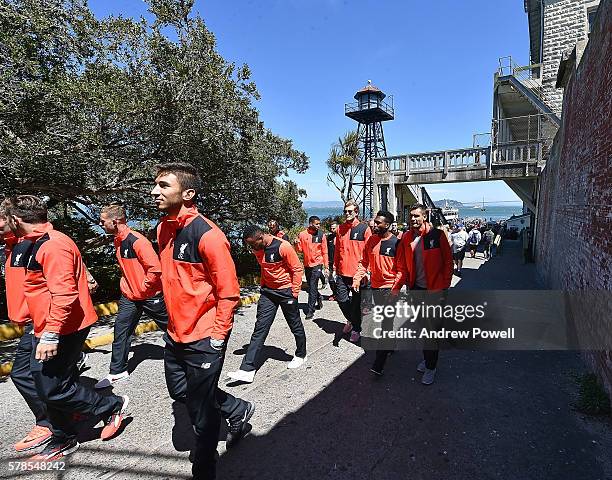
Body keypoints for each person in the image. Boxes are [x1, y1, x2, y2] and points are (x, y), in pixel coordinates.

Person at [7, 195, 129, 461]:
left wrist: (50, 334)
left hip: (62, 327)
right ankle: (60, 431)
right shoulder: (31, 242)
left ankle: (110, 406)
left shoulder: (53, 245)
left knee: (51, 386)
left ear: (15, 220)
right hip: (43, 324)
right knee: (35, 378)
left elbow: (64, 294)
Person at [152, 163, 254, 480]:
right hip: (175, 334)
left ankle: (205, 467)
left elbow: (228, 293)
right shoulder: (162, 229)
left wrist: (217, 336)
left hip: (204, 337)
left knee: (201, 412)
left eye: (163, 186)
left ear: (187, 193)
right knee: (182, 393)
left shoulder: (209, 236)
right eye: (155, 185)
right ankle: (237, 409)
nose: (154, 191)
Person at [95, 205, 169, 389]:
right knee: (121, 331)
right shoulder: (117, 240)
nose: (100, 224)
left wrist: (143, 287)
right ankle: (117, 371)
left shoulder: (137, 241)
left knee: (173, 328)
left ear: (115, 221)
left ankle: (193, 354)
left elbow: (155, 269)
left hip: (151, 296)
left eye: (103, 221)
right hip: (130, 296)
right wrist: (129, 286)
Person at [1, 198, 53, 452]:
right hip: (28, 321)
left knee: (23, 373)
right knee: (45, 376)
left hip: (39, 321)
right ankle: (65, 412)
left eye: (1, 221)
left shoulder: (30, 243)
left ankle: (48, 422)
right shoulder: (11, 246)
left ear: (14, 220)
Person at [227, 225, 307, 383]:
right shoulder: (258, 249)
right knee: (260, 328)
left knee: (295, 325)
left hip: (286, 292)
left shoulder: (283, 247)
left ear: (261, 238)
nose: (251, 248)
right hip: (268, 293)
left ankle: (301, 354)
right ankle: (247, 369)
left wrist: (294, 293)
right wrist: (263, 287)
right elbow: (265, 269)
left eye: (252, 244)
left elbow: (297, 269)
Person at [393, 203, 453, 385]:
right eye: (411, 216)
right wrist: (396, 287)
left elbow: (448, 262)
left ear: (424, 217)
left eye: (417, 216)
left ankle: (431, 366)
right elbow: (402, 265)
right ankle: (429, 358)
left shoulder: (437, 235)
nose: (413, 219)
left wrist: (444, 287)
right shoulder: (406, 237)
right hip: (416, 290)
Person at [352, 211, 401, 376]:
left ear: (387, 225)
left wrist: (395, 290)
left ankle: (378, 364)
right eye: (375, 221)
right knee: (385, 321)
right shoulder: (371, 240)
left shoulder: (396, 243)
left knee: (385, 325)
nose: (374, 225)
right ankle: (391, 345)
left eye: (378, 223)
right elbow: (364, 261)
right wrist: (357, 278)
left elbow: (402, 270)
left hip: (390, 289)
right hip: (375, 287)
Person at [334, 200, 372, 343]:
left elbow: (369, 251)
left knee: (356, 305)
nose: (347, 214)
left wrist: (367, 271)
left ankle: (356, 328)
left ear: (356, 212)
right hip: (342, 273)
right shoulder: (340, 229)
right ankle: (352, 320)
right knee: (342, 300)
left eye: (350, 211)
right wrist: (334, 268)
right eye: (345, 211)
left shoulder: (364, 228)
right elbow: (338, 250)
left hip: (358, 274)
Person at [295, 216, 328, 320]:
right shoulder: (302, 234)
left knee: (313, 286)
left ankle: (310, 310)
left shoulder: (321, 235)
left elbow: (325, 251)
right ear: (310, 224)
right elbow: (299, 250)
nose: (319, 226)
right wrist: (296, 244)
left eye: (319, 224)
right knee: (311, 286)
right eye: (317, 224)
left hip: (318, 264)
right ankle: (319, 297)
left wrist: (326, 266)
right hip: (307, 265)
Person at [326, 221, 338, 300]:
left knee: (339, 280)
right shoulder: (329, 237)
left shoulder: (342, 237)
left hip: (339, 262)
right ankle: (334, 294)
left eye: (334, 228)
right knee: (330, 279)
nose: (332, 230)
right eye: (331, 228)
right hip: (330, 261)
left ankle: (339, 295)